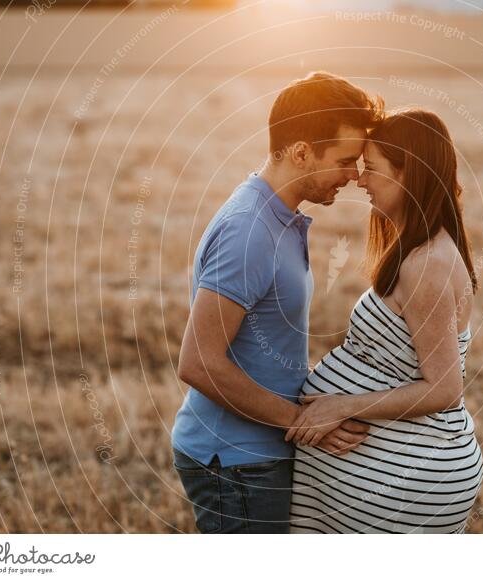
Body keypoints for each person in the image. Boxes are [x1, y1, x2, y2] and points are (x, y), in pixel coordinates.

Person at [171, 72, 384, 533]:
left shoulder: (278, 217)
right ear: (301, 151)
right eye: (346, 160)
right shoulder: (248, 231)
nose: (354, 176)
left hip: (255, 455)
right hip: (237, 463)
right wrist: (303, 422)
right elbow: (198, 363)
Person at [287, 108, 483, 533]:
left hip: (406, 478)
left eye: (371, 169)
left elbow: (445, 389)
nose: (360, 181)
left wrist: (343, 405)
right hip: (390, 474)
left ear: (408, 174)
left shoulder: (427, 263)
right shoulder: (418, 250)